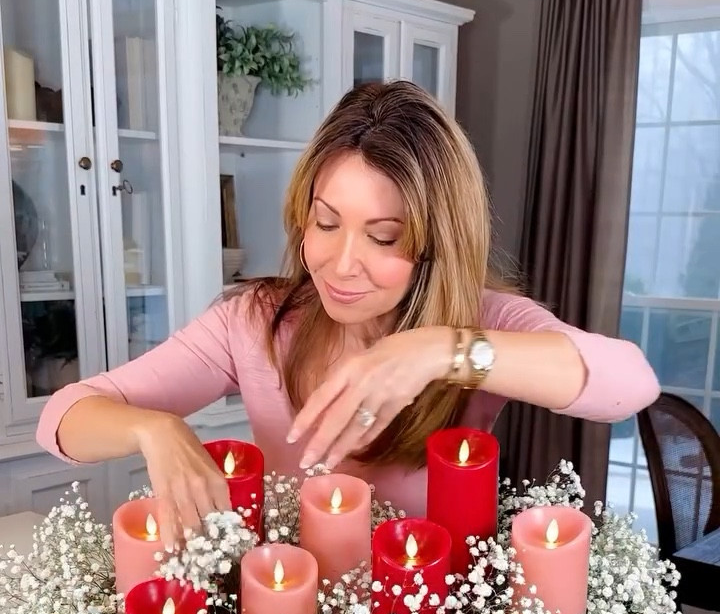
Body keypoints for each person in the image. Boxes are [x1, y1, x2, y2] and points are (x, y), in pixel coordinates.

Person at [37, 81, 659, 547]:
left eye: (383, 238)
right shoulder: (253, 322)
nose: (340, 264)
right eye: (325, 223)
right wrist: (156, 430)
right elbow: (62, 419)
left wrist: (442, 351)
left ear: (434, 244)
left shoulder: (480, 322)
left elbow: (629, 383)